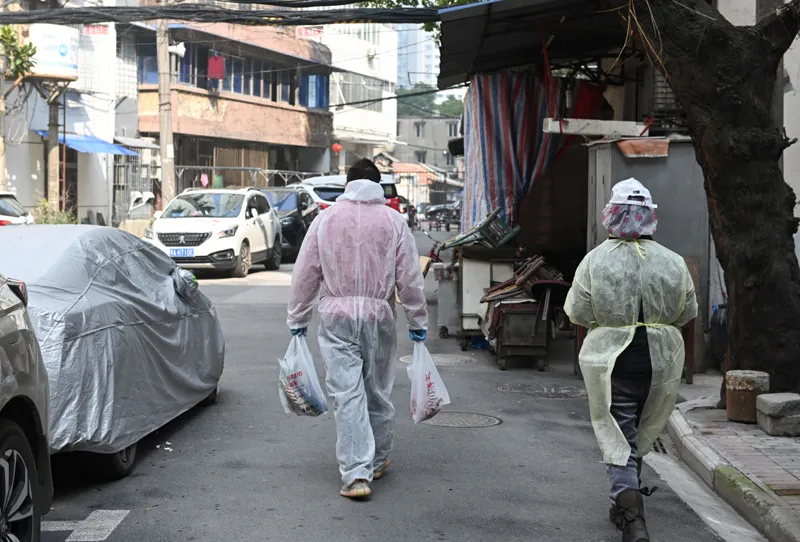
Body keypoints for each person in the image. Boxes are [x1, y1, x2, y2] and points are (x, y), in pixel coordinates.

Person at [564, 178, 697, 542]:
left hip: (613, 360)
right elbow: (688, 311)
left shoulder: (595, 261)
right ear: (650, 217)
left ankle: (632, 517)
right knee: (638, 432)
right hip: (662, 361)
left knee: (619, 434)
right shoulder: (673, 262)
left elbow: (577, 310)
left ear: (612, 215)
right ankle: (625, 500)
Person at [287, 158, 428, 500]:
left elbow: (305, 273)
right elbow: (409, 277)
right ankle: (378, 460)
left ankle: (355, 475)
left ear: (347, 184)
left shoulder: (326, 219)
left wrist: (298, 319)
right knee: (376, 390)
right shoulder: (394, 222)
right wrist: (417, 321)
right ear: (378, 185)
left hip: (336, 316)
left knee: (347, 393)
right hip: (379, 316)